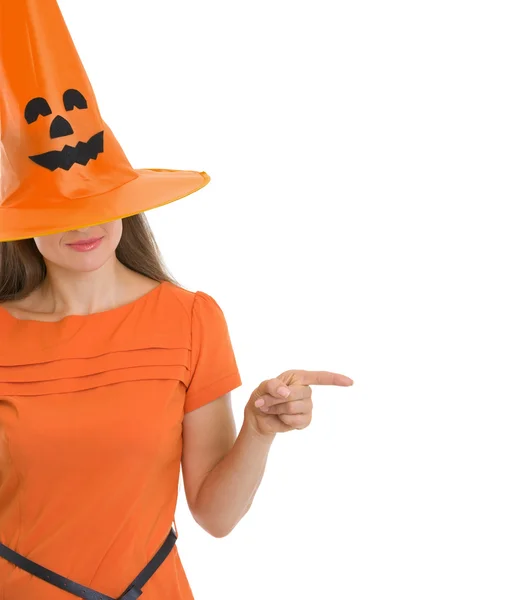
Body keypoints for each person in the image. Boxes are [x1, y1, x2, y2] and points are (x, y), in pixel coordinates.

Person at [0, 1, 353, 599]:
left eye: (97, 200)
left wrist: (258, 431)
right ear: (22, 217)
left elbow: (215, 516)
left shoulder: (188, 319)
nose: (82, 225)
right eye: (57, 208)